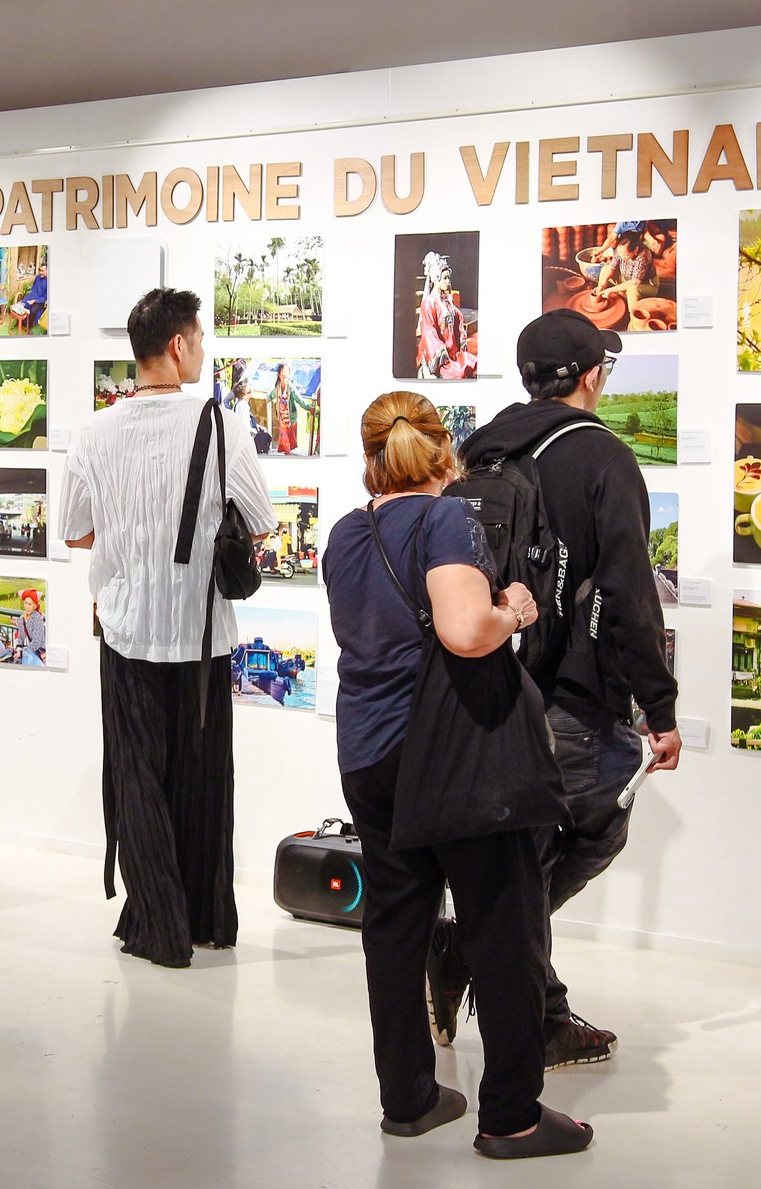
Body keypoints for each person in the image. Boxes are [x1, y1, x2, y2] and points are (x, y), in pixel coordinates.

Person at [323, 392, 592, 1157]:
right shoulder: (447, 519)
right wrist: (515, 611)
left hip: (367, 752)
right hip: (450, 752)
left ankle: (408, 1099)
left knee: (395, 924)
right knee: (502, 925)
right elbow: (466, 631)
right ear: (446, 452)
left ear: (371, 457)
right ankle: (512, 1117)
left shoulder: (345, 532)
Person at [453, 310, 682, 1068]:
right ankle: (489, 964)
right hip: (573, 692)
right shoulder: (603, 456)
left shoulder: (484, 447)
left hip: (493, 679)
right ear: (590, 375)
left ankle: (518, 987)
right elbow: (630, 591)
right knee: (595, 824)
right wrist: (660, 707)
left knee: (528, 848)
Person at [62, 287, 277, 968]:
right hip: (202, 632)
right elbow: (261, 520)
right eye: (201, 338)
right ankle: (206, 917)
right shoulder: (224, 427)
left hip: (125, 627)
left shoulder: (93, 432)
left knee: (137, 776)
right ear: (179, 345)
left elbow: (75, 531)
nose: (204, 350)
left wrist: (130, 536)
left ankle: (157, 924)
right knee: (203, 778)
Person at [14, 588, 47, 666]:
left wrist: (22, 652)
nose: (27, 606)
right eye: (26, 603)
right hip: (31, 651)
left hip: (42, 651)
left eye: (30, 604)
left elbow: (36, 643)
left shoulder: (37, 618)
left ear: (35, 606)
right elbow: (21, 637)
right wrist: (18, 649)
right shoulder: (22, 618)